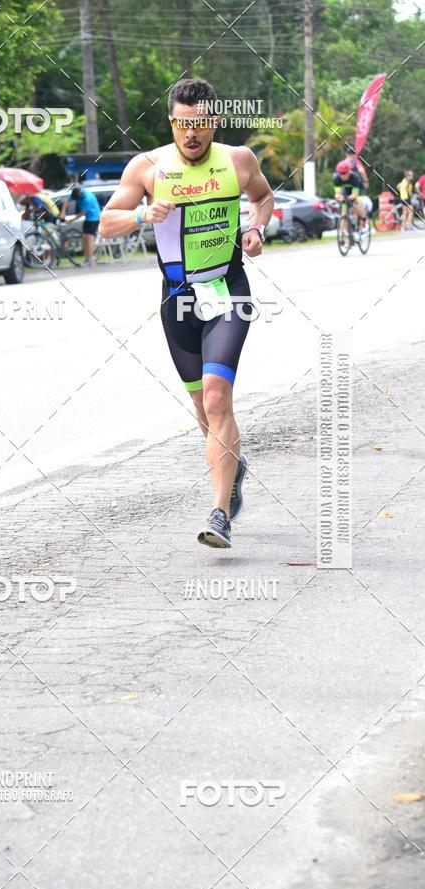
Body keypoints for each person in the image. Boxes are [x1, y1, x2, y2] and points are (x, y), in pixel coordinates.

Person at [99, 78, 273, 550]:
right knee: (203, 411)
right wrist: (142, 216)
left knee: (217, 399)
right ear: (171, 122)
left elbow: (262, 197)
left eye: (199, 125)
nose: (191, 134)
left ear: (213, 121)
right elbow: (105, 223)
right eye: (182, 125)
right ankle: (232, 468)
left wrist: (257, 228)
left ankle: (220, 515)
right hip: (178, 300)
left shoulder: (238, 161)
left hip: (228, 291)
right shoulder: (148, 167)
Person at [60, 185, 101, 266]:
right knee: (84, 237)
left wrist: (71, 220)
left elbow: (82, 213)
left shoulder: (87, 199)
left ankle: (90, 260)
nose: (78, 200)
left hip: (94, 218)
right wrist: (63, 212)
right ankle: (87, 258)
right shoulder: (76, 193)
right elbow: (66, 201)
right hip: (88, 219)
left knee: (89, 238)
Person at [333, 159, 371, 229]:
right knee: (343, 213)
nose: (342, 175)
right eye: (341, 173)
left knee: (356, 203)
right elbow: (337, 193)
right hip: (346, 191)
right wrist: (340, 197)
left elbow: (354, 194)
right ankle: (343, 234)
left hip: (358, 191)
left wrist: (347, 198)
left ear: (349, 172)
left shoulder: (354, 177)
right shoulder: (336, 179)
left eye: (344, 173)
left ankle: (364, 219)